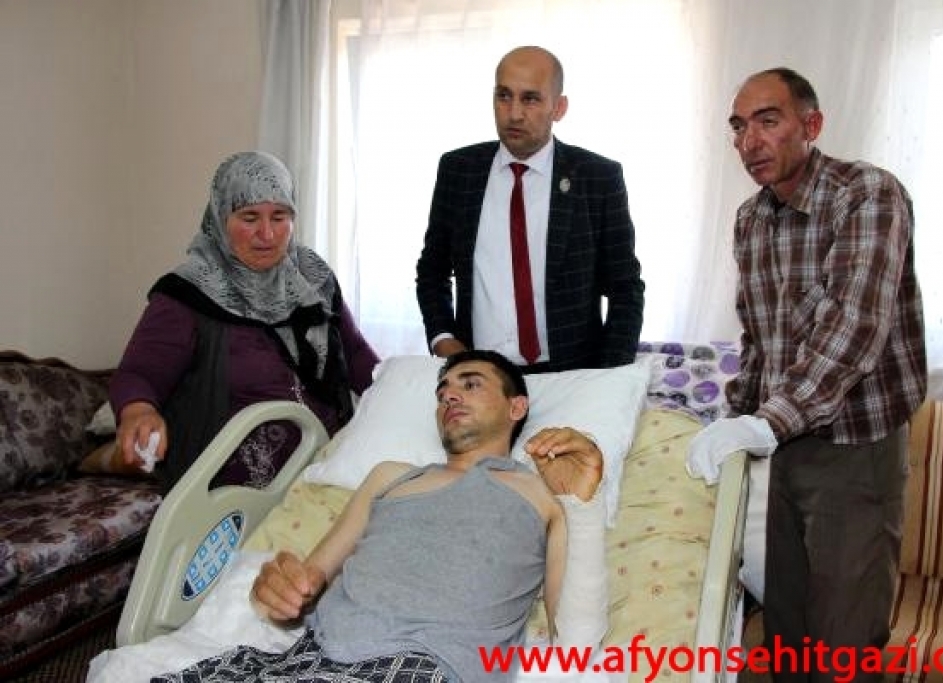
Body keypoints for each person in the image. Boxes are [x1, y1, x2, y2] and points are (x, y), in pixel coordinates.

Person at [151, 349, 606, 683]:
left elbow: (577, 645)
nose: (449, 397)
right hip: (310, 660)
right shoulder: (390, 477)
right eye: (442, 392)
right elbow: (307, 583)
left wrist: (583, 509)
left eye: (470, 384)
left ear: (516, 406)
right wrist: (279, 591)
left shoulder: (547, 495)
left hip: (427, 667)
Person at [686, 68, 927, 682]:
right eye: (738, 128)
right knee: (787, 633)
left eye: (768, 121)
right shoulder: (751, 219)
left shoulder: (867, 195)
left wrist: (765, 423)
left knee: (844, 643)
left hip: (856, 448)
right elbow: (759, 340)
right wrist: (737, 421)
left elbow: (854, 327)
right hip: (784, 448)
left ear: (811, 125)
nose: (749, 142)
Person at [110, 151, 380, 491]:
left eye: (279, 216)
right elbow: (139, 374)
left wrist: (400, 392)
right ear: (220, 216)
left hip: (323, 468)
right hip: (230, 489)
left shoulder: (314, 279)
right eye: (249, 217)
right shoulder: (186, 294)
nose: (267, 234)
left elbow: (355, 355)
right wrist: (137, 411)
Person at [415, 45, 645, 373]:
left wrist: (607, 376)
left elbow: (626, 290)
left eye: (530, 99)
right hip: (480, 373)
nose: (514, 114)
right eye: (503, 96)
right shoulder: (459, 170)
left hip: (572, 375)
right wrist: (444, 339)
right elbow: (432, 270)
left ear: (559, 107)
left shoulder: (597, 177)